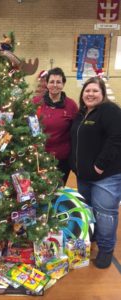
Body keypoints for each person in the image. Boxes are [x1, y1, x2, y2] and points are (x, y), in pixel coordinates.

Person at [70, 76, 121, 269]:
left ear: (102, 93)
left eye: (95, 91)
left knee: (105, 214)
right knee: (88, 211)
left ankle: (106, 250)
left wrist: (100, 164)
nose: (90, 94)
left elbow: (116, 139)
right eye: (87, 91)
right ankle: (91, 240)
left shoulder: (110, 111)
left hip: (105, 177)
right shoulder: (82, 113)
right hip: (83, 176)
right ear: (82, 94)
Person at [36, 67, 78, 185]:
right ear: (47, 83)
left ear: (63, 84)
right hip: (39, 157)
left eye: (58, 82)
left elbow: (76, 131)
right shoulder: (36, 102)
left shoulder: (71, 105)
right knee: (40, 190)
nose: (55, 85)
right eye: (52, 82)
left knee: (58, 189)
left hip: (62, 159)